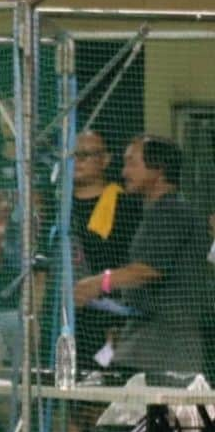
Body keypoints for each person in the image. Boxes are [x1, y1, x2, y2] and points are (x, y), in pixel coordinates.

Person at [75, 135, 212, 377]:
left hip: (167, 345)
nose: (125, 171)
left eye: (132, 163)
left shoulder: (172, 211)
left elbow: (148, 270)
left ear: (158, 170)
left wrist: (98, 282)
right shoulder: (154, 212)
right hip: (146, 339)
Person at [68, 129, 142, 371]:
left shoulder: (126, 205)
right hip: (64, 316)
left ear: (106, 160)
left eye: (86, 155)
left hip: (108, 316)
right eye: (73, 155)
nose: (77, 161)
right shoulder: (56, 202)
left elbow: (134, 266)